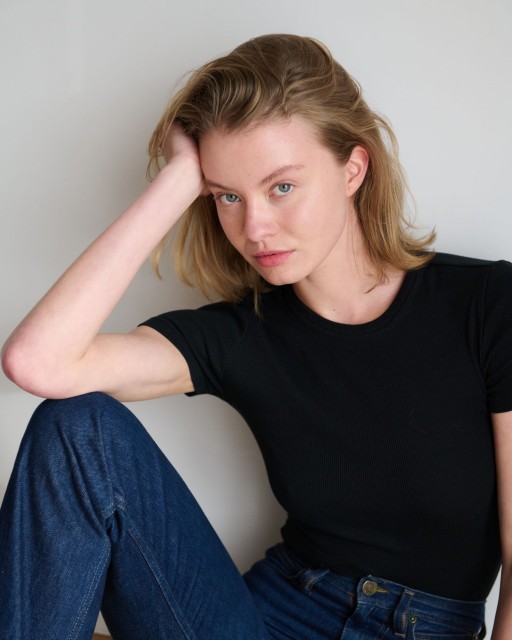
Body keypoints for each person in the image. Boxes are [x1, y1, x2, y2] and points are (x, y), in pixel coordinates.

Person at [0, 33, 510, 640]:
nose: (255, 227)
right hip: (270, 617)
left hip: (423, 626)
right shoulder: (242, 334)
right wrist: (178, 181)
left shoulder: (485, 304)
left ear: (353, 168)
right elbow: (38, 363)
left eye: (282, 187)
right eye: (228, 196)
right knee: (76, 427)